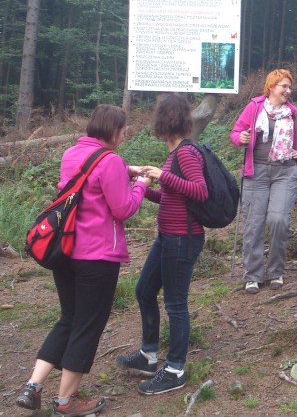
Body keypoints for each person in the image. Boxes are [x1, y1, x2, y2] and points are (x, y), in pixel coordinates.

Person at [16, 104, 148, 416]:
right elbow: (123, 209)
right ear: (113, 130)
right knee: (87, 325)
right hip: (97, 256)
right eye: (123, 131)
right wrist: (141, 185)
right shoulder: (111, 160)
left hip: (65, 251)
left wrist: (125, 170)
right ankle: (66, 401)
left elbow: (90, 181)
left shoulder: (72, 154)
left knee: (69, 318)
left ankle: (33, 385)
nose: (124, 136)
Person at [117, 94, 208, 395]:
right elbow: (172, 197)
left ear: (165, 120)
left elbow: (200, 191)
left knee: (175, 303)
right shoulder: (174, 155)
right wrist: (144, 187)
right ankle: (148, 355)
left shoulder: (185, 153)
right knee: (144, 290)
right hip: (167, 237)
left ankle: (175, 369)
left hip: (183, 238)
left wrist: (163, 176)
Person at [230, 69, 297, 293]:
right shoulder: (254, 107)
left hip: (284, 171)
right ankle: (252, 275)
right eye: (284, 86)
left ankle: (276, 272)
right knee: (254, 224)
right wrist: (241, 138)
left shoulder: (293, 113)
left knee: (279, 221)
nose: (288, 90)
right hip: (256, 172)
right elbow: (236, 133)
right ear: (271, 87)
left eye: (289, 87)